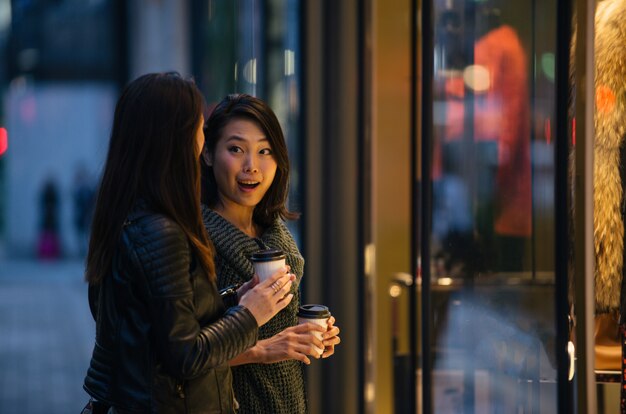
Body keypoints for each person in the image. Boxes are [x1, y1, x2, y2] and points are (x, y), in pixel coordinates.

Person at [81, 73, 295, 414]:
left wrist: (233, 299)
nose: (201, 137)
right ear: (176, 139)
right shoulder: (160, 232)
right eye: (198, 126)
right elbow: (185, 355)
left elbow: (161, 322)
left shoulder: (135, 215)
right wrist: (251, 313)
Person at [201, 93, 341, 413]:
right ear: (208, 153)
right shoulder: (197, 239)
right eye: (236, 149)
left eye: (264, 151)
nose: (252, 166)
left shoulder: (275, 234)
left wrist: (310, 334)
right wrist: (265, 348)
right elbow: (184, 353)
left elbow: (282, 331)